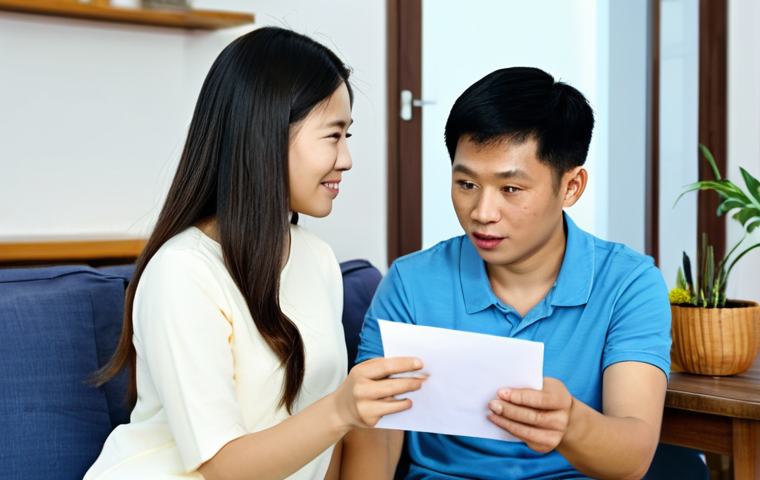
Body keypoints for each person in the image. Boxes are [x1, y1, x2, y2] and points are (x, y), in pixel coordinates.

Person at [84, 27, 426, 480]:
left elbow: (320, 448)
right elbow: (221, 466)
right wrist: (342, 409)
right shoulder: (183, 272)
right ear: (267, 135)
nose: (346, 158)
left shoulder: (318, 258)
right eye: (333, 135)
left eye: (348, 135)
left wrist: (344, 414)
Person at [354, 67, 671, 479]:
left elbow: (633, 458)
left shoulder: (629, 284)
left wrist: (571, 423)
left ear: (571, 187)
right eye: (466, 183)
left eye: (511, 189)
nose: (482, 214)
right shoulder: (411, 283)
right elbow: (373, 436)